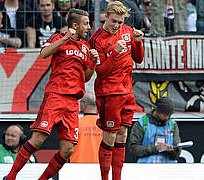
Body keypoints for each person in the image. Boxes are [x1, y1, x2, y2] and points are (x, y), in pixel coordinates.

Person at [4, 8, 99, 180]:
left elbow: (85, 78)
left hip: (72, 103)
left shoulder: (86, 47)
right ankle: (10, 177)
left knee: (68, 149)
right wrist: (65, 38)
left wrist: (92, 62)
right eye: (85, 24)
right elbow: (44, 54)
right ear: (74, 25)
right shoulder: (58, 37)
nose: (89, 27)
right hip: (55, 96)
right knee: (38, 139)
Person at [88, 1, 144, 179]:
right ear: (106, 16)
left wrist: (137, 43)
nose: (117, 26)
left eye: (120, 22)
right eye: (113, 21)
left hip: (127, 91)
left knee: (122, 135)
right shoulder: (96, 39)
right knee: (109, 137)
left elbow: (139, 59)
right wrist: (114, 53)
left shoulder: (127, 31)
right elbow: (101, 72)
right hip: (109, 93)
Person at [128, 97, 181, 163]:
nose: (167, 117)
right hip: (145, 169)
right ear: (157, 111)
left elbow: (177, 153)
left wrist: (173, 150)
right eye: (165, 114)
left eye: (170, 115)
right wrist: (155, 148)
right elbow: (133, 149)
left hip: (168, 170)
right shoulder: (142, 123)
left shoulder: (173, 124)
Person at [69, 92, 102, 163]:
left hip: (78, 165)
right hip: (99, 166)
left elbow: (68, 148)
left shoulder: (76, 123)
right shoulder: (104, 125)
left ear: (84, 104)